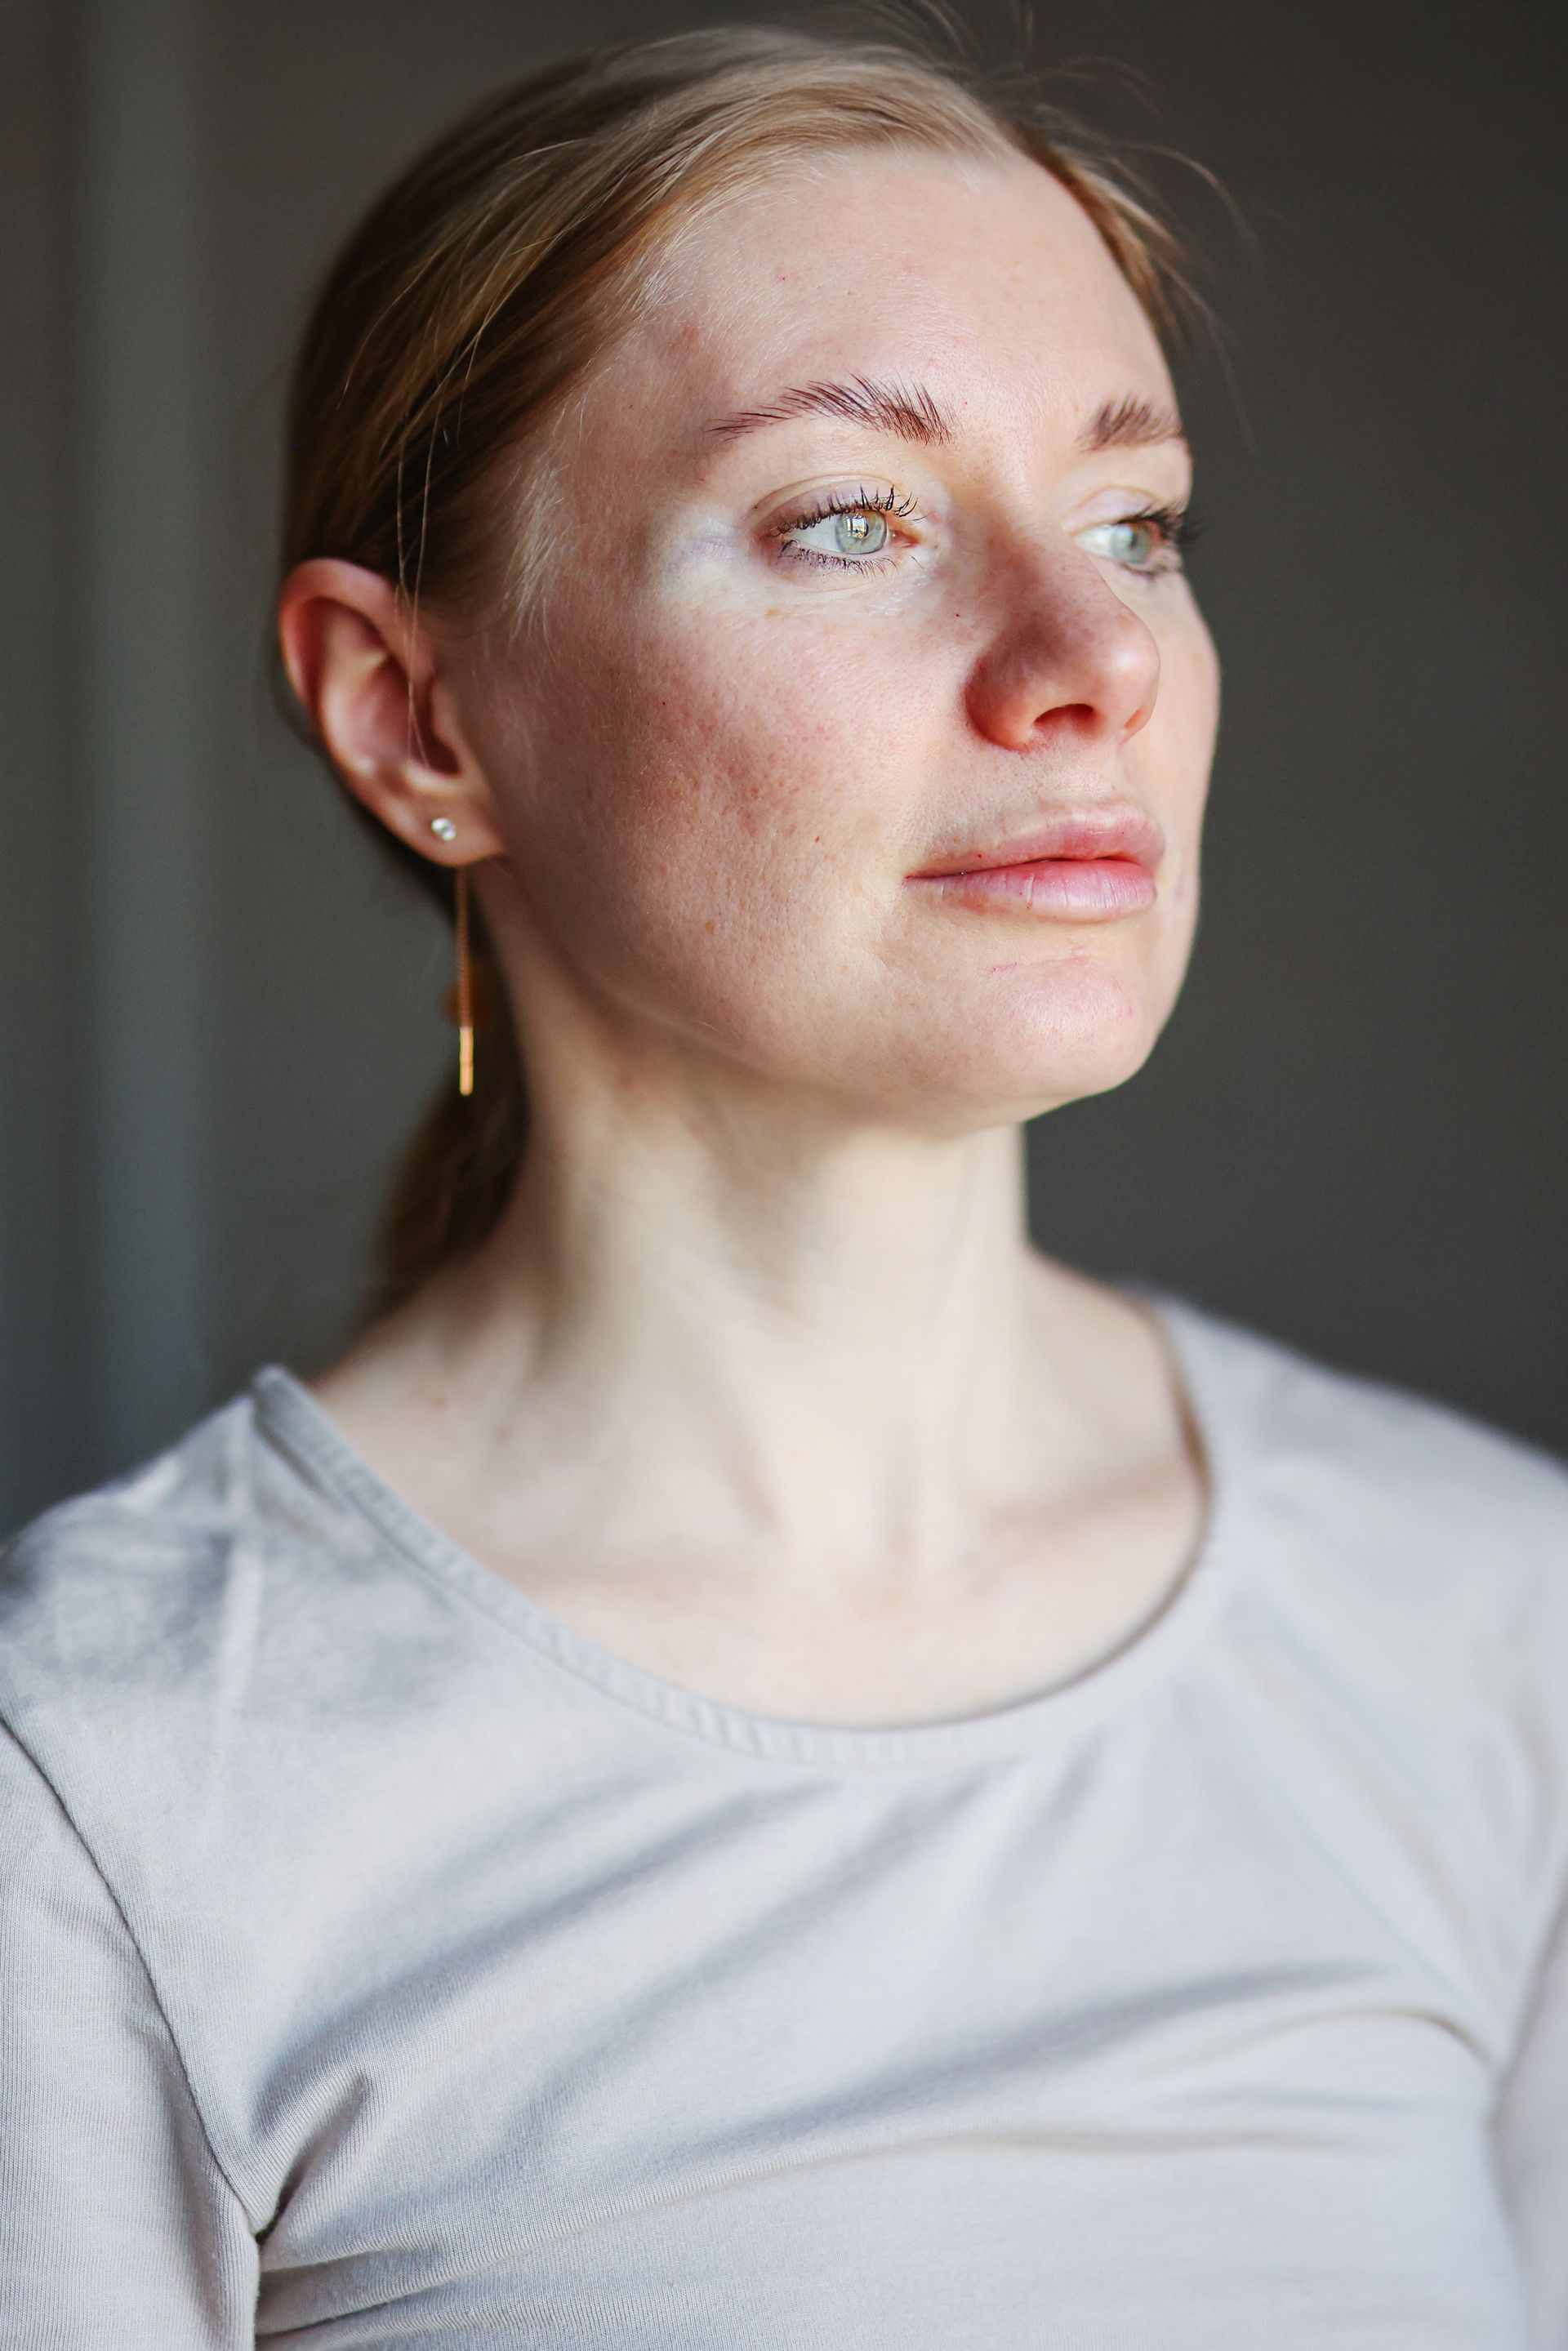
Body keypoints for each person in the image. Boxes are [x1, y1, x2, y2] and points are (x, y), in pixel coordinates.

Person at [2, 25, 1565, 2348]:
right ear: (414, 717)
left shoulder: (1497, 1633)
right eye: (853, 518)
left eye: (1138, 523)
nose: (1097, 657)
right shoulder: (101, 1790)